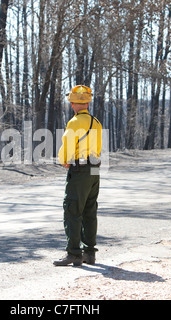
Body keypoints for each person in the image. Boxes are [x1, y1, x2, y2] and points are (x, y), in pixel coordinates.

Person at [53, 85, 103, 267]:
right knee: (90, 210)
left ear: (73, 103)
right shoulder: (96, 122)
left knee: (73, 210)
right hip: (95, 170)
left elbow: (67, 145)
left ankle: (74, 253)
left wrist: (64, 160)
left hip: (80, 170)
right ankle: (89, 253)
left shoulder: (74, 122)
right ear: (87, 102)